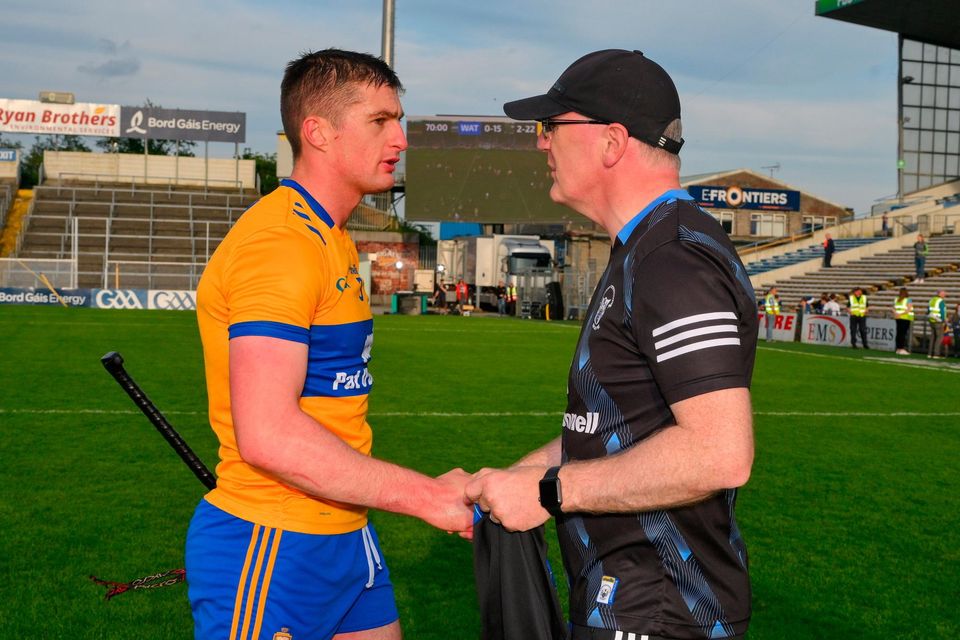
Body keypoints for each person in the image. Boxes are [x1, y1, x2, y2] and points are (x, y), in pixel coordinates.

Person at [465, 49, 757, 640]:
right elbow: (612, 424)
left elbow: (720, 453)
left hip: (659, 610)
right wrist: (513, 476)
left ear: (612, 142)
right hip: (630, 602)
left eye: (554, 127)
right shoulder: (646, 248)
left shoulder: (671, 258)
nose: (542, 144)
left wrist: (548, 492)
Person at [187, 49, 472, 640]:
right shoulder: (281, 244)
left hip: (344, 530)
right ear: (316, 132)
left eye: (399, 120)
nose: (401, 138)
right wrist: (424, 496)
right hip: (274, 538)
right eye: (380, 121)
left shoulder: (330, 235)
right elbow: (268, 434)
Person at [892, 287, 914, 355]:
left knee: (899, 333)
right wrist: (900, 314)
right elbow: (908, 309)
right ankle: (901, 348)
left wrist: (896, 313)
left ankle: (898, 349)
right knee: (903, 334)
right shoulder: (908, 300)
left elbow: (892, 308)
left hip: (898, 318)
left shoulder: (896, 299)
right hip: (905, 318)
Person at [927, 289, 948, 359]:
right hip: (938, 321)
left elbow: (928, 311)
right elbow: (942, 312)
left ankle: (930, 353)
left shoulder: (931, 300)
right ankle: (936, 354)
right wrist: (944, 320)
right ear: (940, 294)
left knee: (933, 337)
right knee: (939, 338)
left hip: (931, 320)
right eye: (944, 293)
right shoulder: (941, 301)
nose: (945, 295)